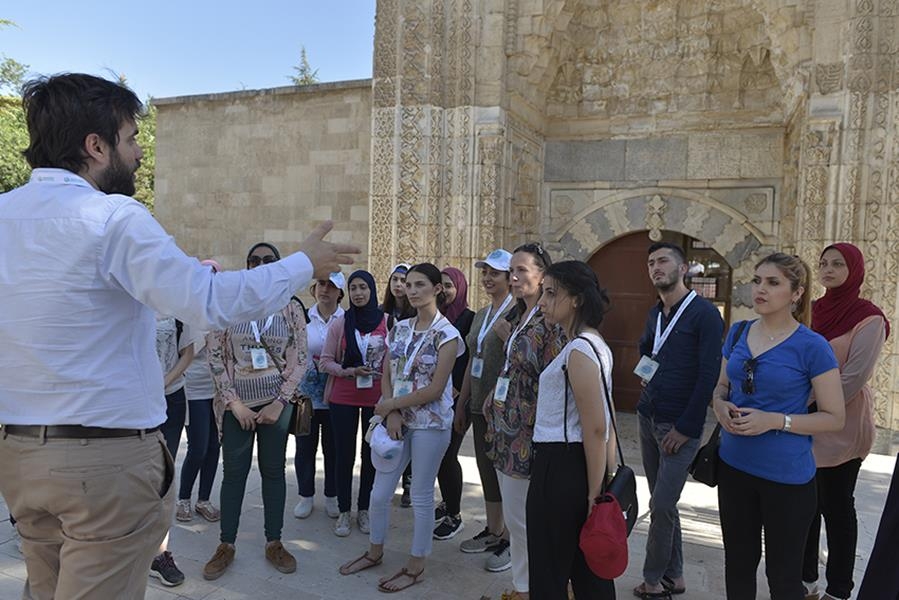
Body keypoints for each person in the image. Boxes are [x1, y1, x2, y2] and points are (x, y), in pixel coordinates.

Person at [0, 73, 356, 600]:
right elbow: (206, 299)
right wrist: (303, 263)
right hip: (102, 465)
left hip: (20, 456)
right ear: (95, 146)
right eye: (130, 138)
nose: (140, 153)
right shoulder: (113, 218)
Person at [713, 252, 845, 600]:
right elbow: (722, 385)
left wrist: (775, 421)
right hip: (733, 468)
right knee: (738, 567)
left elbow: (834, 417)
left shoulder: (813, 346)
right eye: (757, 280)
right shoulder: (739, 331)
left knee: (783, 579)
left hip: (786, 478)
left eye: (773, 283)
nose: (761, 289)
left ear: (797, 293)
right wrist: (719, 405)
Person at [339, 263, 462, 593]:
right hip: (399, 420)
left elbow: (437, 389)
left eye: (421, 284)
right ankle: (375, 551)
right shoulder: (401, 328)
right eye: (409, 284)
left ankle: (416, 564)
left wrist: (391, 406)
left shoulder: (447, 334)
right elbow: (389, 372)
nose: (413, 290)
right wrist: (391, 411)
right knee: (379, 493)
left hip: (430, 424)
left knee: (421, 495)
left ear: (437, 289)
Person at [202, 243, 308, 580]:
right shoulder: (231, 305)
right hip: (238, 406)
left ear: (278, 267)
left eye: (268, 261)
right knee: (234, 473)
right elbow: (215, 356)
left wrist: (280, 402)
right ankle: (226, 544)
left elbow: (301, 359)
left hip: (276, 404)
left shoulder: (290, 307)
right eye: (253, 261)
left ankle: (274, 541)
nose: (260, 265)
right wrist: (234, 403)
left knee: (273, 471)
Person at [632, 242, 724, 599]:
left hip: (677, 425)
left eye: (663, 261)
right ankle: (678, 575)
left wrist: (686, 428)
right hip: (647, 414)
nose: (656, 267)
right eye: (651, 262)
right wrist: (644, 372)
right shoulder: (655, 313)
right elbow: (646, 348)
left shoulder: (704, 314)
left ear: (683, 268)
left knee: (662, 505)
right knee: (662, 501)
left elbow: (707, 375)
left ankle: (652, 580)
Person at [802, 243, 889, 600]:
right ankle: (805, 581)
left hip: (842, 424)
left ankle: (839, 588)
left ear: (854, 269)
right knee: (805, 506)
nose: (828, 269)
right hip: (803, 423)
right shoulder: (811, 310)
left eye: (838, 264)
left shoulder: (869, 318)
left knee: (836, 507)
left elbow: (854, 377)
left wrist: (801, 400)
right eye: (823, 263)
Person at [528, 260, 615, 599]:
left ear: (576, 299)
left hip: (561, 467)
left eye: (551, 293)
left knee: (550, 570)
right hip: (572, 467)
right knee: (586, 569)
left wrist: (595, 494)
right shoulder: (591, 343)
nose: (542, 302)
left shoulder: (580, 350)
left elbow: (596, 429)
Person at [485, 242, 565, 600]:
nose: (514, 277)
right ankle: (525, 586)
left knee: (522, 520)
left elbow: (552, 376)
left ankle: (531, 588)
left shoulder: (549, 321)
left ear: (542, 274)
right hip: (506, 428)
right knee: (518, 519)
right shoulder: (520, 316)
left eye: (522, 270)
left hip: (528, 433)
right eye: (511, 271)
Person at [455, 249, 515, 572]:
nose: (488, 278)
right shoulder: (480, 315)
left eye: (495, 273)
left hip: (503, 408)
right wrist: (463, 402)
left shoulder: (516, 314)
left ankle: (510, 537)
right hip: (478, 405)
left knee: (505, 472)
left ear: (509, 278)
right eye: (485, 273)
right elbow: (470, 361)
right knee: (486, 468)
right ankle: (494, 530)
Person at [319, 270, 388, 537]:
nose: (359, 293)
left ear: (372, 290)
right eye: (354, 288)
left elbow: (393, 362)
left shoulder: (386, 321)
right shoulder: (341, 322)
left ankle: (365, 510)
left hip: (376, 399)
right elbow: (326, 361)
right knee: (343, 454)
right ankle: (344, 511)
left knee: (370, 454)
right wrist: (349, 372)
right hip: (343, 397)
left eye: (363, 288)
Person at [293, 272, 346, 521]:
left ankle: (332, 496)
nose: (325, 290)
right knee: (305, 448)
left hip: (336, 396)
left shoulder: (346, 319)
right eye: (321, 284)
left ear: (340, 292)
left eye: (331, 286)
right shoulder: (303, 318)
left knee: (333, 448)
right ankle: (305, 495)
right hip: (307, 397)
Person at [176, 259, 225, 525]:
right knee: (198, 447)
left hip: (217, 389)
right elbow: (187, 351)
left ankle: (203, 499)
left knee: (214, 446)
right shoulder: (187, 310)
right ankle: (183, 498)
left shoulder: (221, 312)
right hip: (193, 387)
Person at [150, 312, 194, 587]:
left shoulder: (178, 304)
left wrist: (163, 382)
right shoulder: (132, 293)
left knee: (163, 476)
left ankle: (160, 554)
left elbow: (188, 353)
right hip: (133, 397)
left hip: (172, 396)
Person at [433, 266, 475, 540]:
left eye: (450, 285)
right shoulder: (436, 318)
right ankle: (448, 501)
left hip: (458, 398)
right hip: (436, 397)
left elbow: (470, 359)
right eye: (442, 285)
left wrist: (457, 394)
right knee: (438, 454)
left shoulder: (470, 319)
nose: (445, 290)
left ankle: (455, 515)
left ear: (460, 287)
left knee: (447, 454)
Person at [381, 262, 416, 506]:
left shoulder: (417, 316)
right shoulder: (382, 312)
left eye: (404, 280)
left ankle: (409, 483)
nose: (399, 285)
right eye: (395, 280)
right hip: (387, 380)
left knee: (409, 431)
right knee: (390, 432)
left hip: (409, 384)